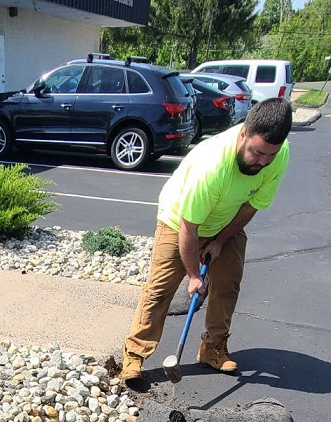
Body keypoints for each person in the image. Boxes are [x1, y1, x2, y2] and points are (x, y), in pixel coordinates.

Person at [119, 97, 293, 389]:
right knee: (159, 290)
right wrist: (192, 276)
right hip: (180, 221)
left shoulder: (279, 155)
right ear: (243, 134)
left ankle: (212, 348)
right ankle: (135, 355)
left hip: (227, 221)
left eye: (269, 156)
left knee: (228, 284)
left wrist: (221, 240)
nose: (262, 161)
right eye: (257, 153)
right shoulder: (211, 166)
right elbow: (189, 227)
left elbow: (252, 205)